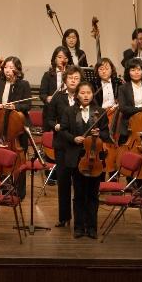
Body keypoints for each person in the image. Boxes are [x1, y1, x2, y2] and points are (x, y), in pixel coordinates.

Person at [56, 81, 108, 239]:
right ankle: (78, 227)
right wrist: (74, 138)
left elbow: (107, 135)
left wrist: (100, 134)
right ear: (77, 95)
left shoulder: (100, 112)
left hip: (95, 159)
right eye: (83, 93)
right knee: (79, 194)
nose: (86, 95)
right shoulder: (69, 111)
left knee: (93, 195)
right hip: (76, 158)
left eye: (89, 93)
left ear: (93, 95)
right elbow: (63, 131)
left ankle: (92, 227)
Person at [44, 66, 81, 228]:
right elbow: (49, 119)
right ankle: (64, 217)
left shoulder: (85, 96)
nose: (73, 80)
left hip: (79, 146)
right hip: (62, 145)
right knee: (64, 182)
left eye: (77, 78)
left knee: (80, 183)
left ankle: (80, 219)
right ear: (65, 80)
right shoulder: (58, 97)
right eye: (71, 77)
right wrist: (56, 126)